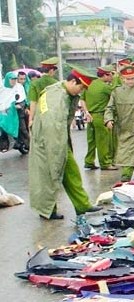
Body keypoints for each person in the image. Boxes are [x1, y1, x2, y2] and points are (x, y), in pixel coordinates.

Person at [29, 66, 102, 220]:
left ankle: (82, 205)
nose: (81, 92)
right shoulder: (57, 98)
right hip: (48, 142)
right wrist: (57, 150)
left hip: (57, 139)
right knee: (49, 175)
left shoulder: (62, 91)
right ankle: (47, 210)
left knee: (71, 172)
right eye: (81, 87)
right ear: (73, 82)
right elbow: (52, 126)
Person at [80, 65, 118, 171]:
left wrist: (86, 112)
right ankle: (105, 163)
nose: (112, 77)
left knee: (91, 141)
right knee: (103, 141)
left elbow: (82, 100)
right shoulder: (105, 87)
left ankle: (89, 161)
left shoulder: (89, 85)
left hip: (90, 116)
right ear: (105, 75)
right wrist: (116, 79)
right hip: (100, 116)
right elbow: (116, 94)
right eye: (111, 74)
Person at [28, 57, 59, 127]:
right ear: (51, 70)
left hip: (40, 116)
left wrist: (31, 119)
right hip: (54, 116)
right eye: (54, 71)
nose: (54, 73)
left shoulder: (34, 83)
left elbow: (33, 103)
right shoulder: (57, 84)